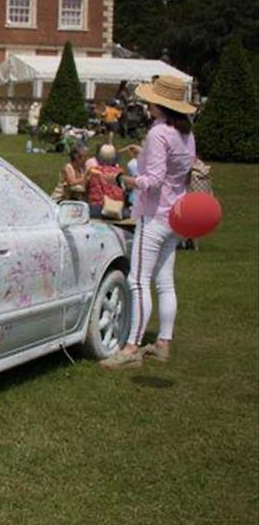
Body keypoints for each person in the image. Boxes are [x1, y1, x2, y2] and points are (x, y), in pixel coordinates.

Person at [101, 76, 196, 369]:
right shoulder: (186, 133)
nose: (147, 103)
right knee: (165, 281)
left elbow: (153, 182)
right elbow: (179, 172)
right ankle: (163, 342)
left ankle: (132, 347)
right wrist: (143, 156)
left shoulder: (159, 133)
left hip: (155, 215)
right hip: (176, 214)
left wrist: (121, 179)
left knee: (138, 280)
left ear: (159, 104)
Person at [86, 144, 126, 218]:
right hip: (117, 209)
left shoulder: (93, 171)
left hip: (97, 209)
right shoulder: (120, 172)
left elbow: (86, 186)